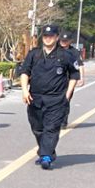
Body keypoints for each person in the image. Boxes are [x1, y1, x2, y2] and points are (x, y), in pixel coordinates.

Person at [18, 24, 80, 169]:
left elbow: (74, 74)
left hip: (56, 99)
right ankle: (46, 151)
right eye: (45, 36)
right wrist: (24, 91)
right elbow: (24, 72)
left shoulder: (66, 55)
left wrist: (68, 93)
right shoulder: (34, 54)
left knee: (51, 128)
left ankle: (46, 156)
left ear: (57, 37)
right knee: (37, 128)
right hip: (35, 98)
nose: (48, 39)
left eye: (51, 36)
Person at [58, 30, 83, 128]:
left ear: (70, 41)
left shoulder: (74, 52)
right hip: (55, 80)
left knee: (66, 100)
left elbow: (80, 65)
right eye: (62, 40)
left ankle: (63, 121)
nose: (63, 42)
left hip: (69, 80)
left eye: (65, 40)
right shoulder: (55, 49)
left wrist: (81, 78)